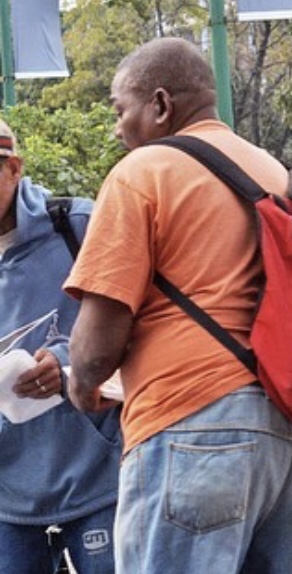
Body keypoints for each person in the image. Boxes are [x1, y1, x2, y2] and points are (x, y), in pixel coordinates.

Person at [64, 37, 292, 574]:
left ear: (161, 105)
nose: (117, 128)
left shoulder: (143, 171)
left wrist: (81, 386)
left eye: (120, 110)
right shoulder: (278, 175)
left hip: (195, 428)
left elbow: (97, 348)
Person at [0, 119, 121, 573]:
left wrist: (66, 366)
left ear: (14, 168)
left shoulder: (78, 227)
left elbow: (142, 323)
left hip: (97, 474)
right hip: (8, 494)